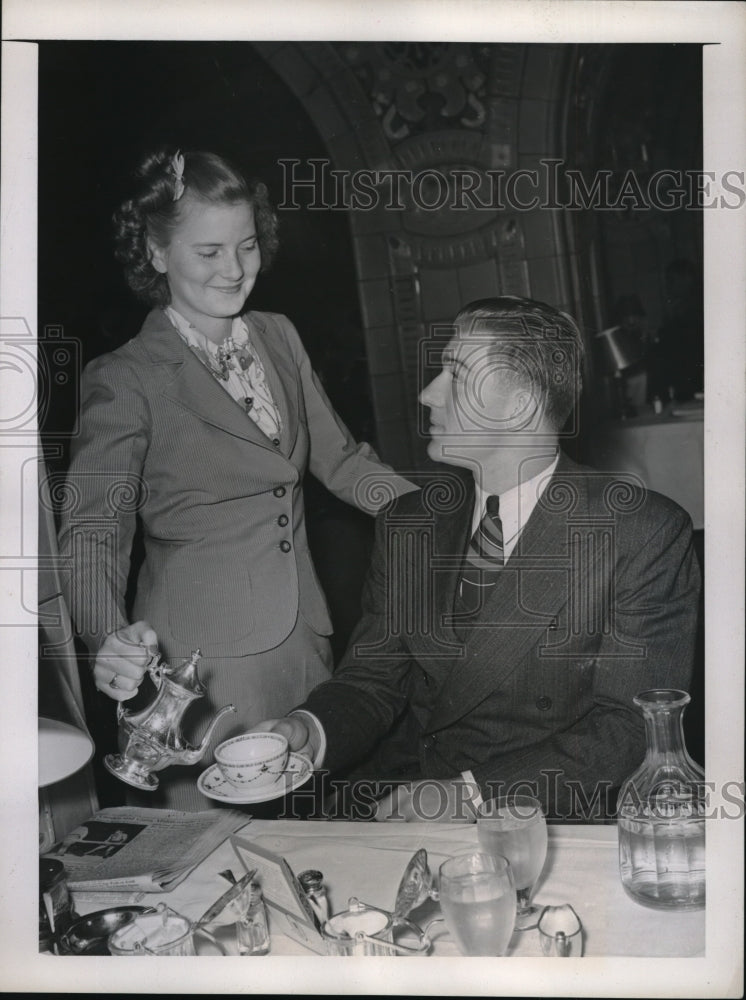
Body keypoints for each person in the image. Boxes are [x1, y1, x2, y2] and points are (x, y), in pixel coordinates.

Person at [57, 147, 416, 809]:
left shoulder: (279, 336)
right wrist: (107, 637)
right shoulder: (126, 377)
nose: (235, 270)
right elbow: (91, 533)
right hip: (198, 673)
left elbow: (341, 461)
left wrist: (443, 515)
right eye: (209, 251)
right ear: (157, 254)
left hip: (306, 646)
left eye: (246, 246)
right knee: (224, 864)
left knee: (315, 842)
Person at [254, 296, 701, 822]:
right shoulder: (407, 523)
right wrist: (310, 730)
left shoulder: (641, 532)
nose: (428, 394)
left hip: (541, 817)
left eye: (456, 374)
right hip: (403, 799)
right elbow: (371, 681)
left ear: (519, 405)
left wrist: (468, 795)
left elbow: (627, 728)